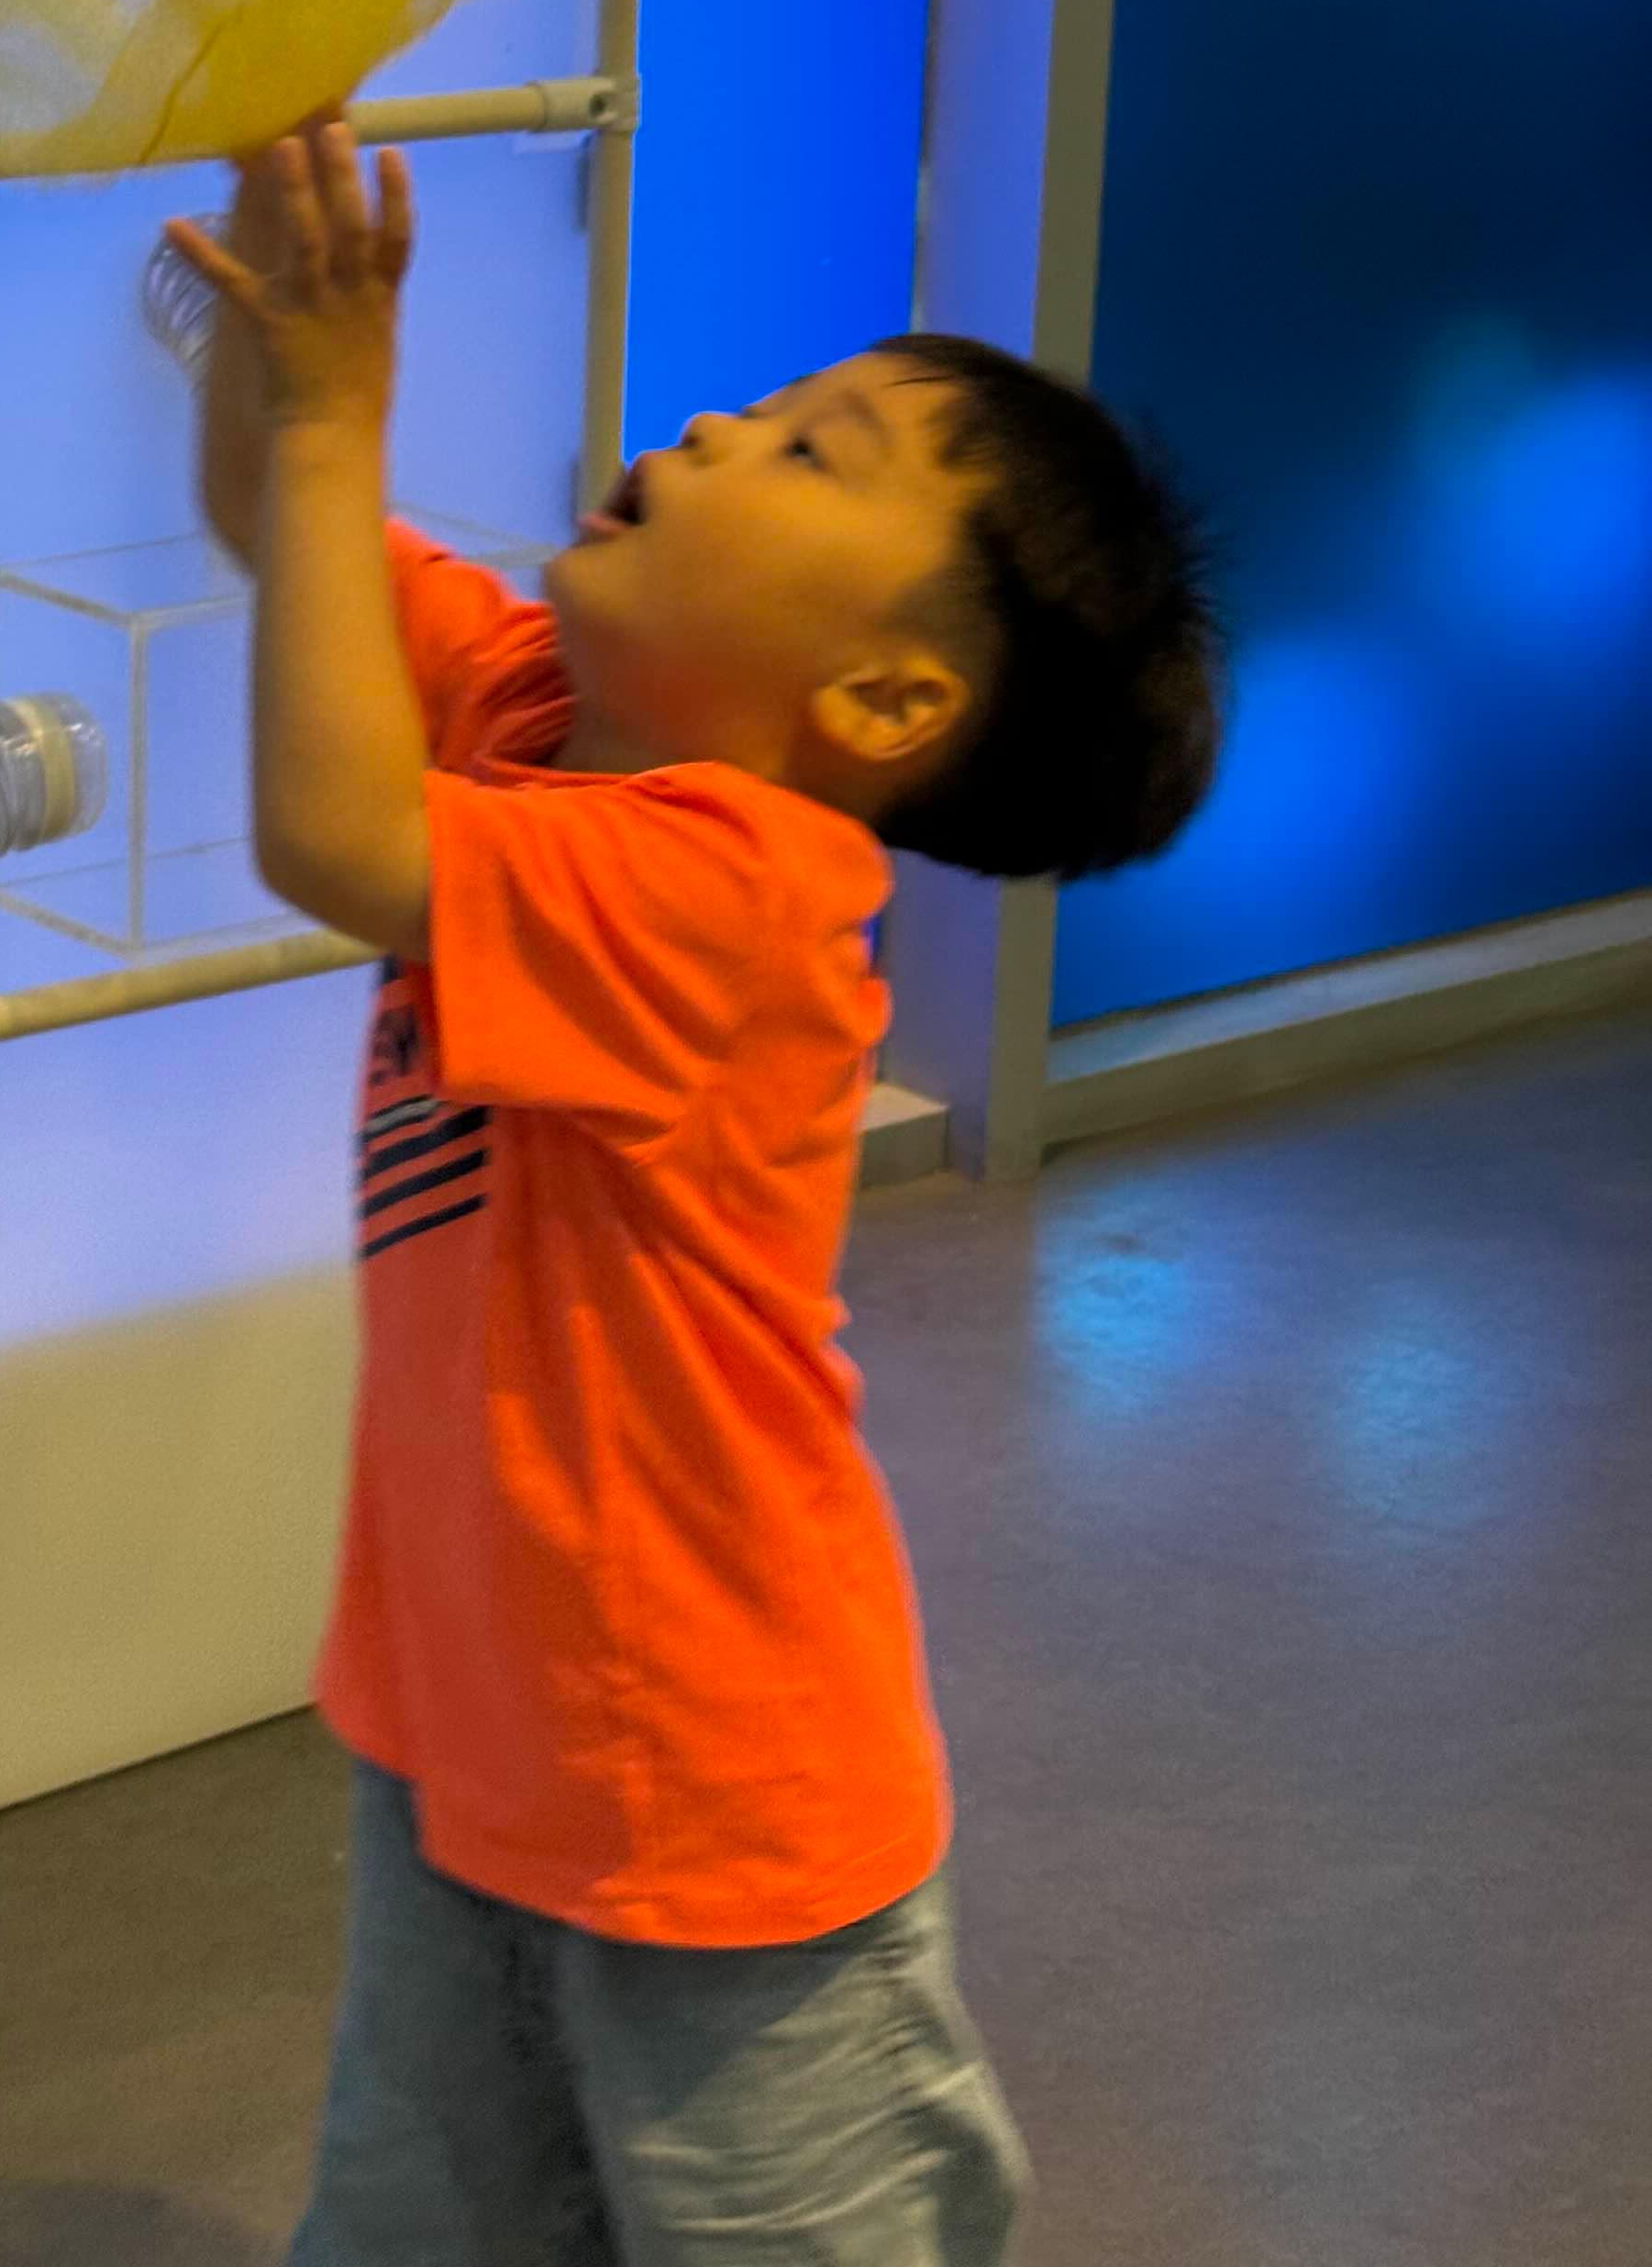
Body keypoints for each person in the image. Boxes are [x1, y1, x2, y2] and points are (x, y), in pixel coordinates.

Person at [162, 120, 1223, 2267]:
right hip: (472, 1716)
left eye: (816, 454)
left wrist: (339, 417)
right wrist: (280, 346)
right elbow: (280, 536)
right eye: (772, 406)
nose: (723, 425)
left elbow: (336, 835)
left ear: (888, 699)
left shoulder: (743, 891)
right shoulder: (546, 718)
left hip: (714, 1786)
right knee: (426, 2226)